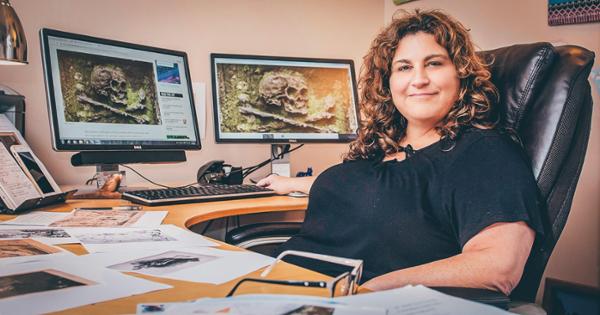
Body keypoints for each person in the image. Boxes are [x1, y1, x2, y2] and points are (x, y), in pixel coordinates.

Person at [257, 9, 543, 295]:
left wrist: (368, 292)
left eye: (433, 63)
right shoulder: (382, 146)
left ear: (460, 73)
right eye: (404, 67)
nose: (418, 79)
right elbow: (377, 190)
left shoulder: (483, 153)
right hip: (271, 280)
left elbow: (497, 267)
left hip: (343, 301)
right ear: (388, 82)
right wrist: (290, 183)